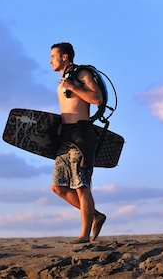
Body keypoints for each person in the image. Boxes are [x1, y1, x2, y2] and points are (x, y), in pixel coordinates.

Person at [49, 42, 107, 243]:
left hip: (81, 134)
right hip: (65, 136)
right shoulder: (62, 80)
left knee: (82, 186)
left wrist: (73, 86)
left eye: (53, 56)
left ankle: (84, 235)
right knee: (58, 187)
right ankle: (96, 216)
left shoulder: (82, 74)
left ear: (65, 57)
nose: (50, 61)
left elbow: (97, 98)